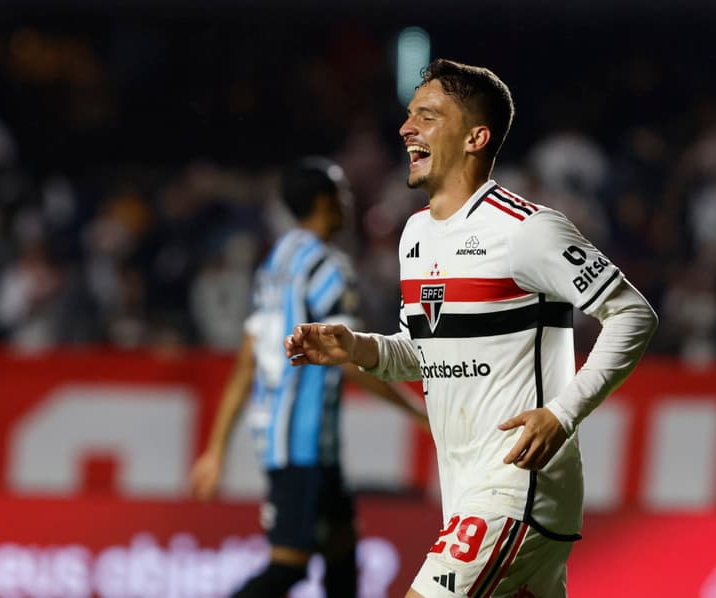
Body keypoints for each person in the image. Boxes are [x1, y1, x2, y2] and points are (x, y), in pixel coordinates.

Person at [285, 60, 658, 597]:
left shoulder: (527, 230)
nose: (406, 128)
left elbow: (632, 314)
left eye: (428, 116)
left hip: (516, 490)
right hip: (467, 492)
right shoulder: (416, 234)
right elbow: (424, 351)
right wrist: (357, 347)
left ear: (476, 137)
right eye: (410, 115)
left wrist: (562, 413)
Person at [189, 157, 427, 598]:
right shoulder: (329, 269)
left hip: (286, 437)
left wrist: (215, 449)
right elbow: (351, 359)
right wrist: (415, 411)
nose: (349, 203)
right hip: (305, 441)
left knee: (342, 557)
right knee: (289, 566)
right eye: (343, 194)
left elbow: (247, 362)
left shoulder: (275, 263)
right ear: (325, 202)